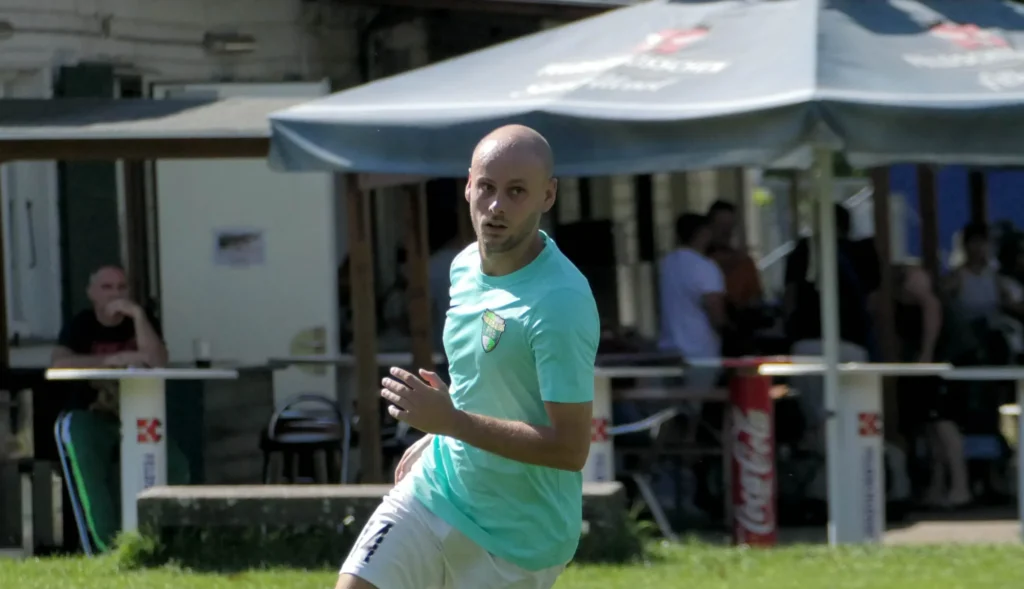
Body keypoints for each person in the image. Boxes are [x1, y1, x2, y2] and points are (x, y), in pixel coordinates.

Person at [337, 125, 599, 589]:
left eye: (516, 192)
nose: (496, 206)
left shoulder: (560, 302)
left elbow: (570, 448)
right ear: (468, 186)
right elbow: (483, 384)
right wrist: (439, 436)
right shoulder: (462, 267)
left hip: (519, 537)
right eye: (487, 187)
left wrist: (453, 423)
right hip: (437, 491)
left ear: (548, 195)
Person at [50, 265, 188, 552]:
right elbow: (59, 363)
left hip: (138, 415)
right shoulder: (81, 324)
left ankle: (164, 540)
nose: (115, 294)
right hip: (90, 414)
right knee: (90, 470)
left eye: (121, 287)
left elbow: (157, 361)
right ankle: (109, 546)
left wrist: (137, 315)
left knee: (173, 464)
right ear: (91, 293)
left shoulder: (142, 321)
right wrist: (109, 361)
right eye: (107, 287)